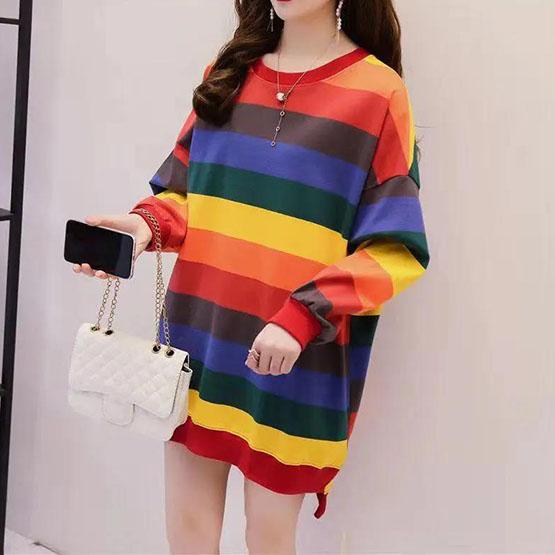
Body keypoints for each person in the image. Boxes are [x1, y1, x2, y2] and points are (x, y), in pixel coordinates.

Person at [73, 0, 430, 552]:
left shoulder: (378, 93)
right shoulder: (230, 71)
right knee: (188, 531)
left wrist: (302, 315)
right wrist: (144, 227)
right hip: (199, 340)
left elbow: (394, 249)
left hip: (292, 358)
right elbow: (188, 194)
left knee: (268, 536)